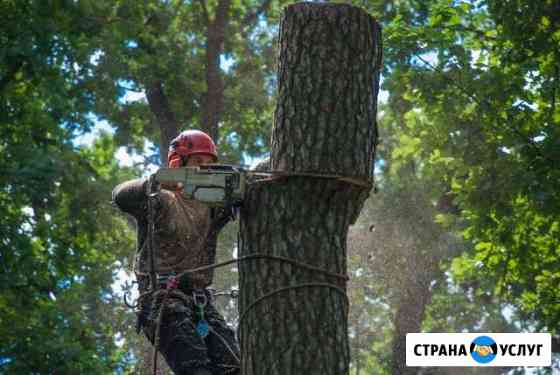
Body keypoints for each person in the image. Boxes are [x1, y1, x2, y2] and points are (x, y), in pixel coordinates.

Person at [112, 130, 240, 375]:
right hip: (162, 301)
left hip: (201, 302)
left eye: (209, 165)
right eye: (197, 162)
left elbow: (253, 185)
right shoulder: (160, 199)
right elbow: (121, 196)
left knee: (234, 367)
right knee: (196, 369)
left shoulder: (214, 207)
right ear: (177, 164)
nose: (204, 169)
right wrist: (156, 181)